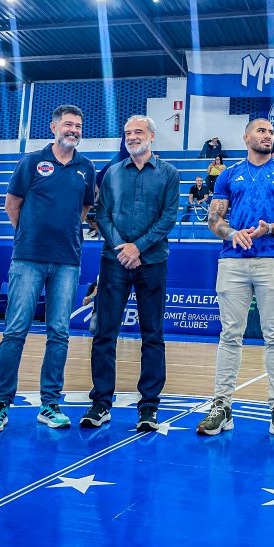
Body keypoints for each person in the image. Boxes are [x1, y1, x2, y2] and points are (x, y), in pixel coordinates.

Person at [0, 105, 95, 433]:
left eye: (78, 126)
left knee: (59, 333)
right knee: (15, 331)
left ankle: (50, 404)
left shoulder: (87, 168)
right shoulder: (31, 161)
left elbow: (84, 209)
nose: (73, 130)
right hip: (28, 258)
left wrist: (61, 235)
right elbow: (11, 204)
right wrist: (30, 235)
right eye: (68, 124)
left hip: (67, 261)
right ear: (54, 127)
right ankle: (0, 405)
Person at [196, 118, 274, 441]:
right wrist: (232, 233)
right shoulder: (229, 174)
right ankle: (222, 405)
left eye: (271, 132)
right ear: (246, 137)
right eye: (261, 131)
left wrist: (270, 228)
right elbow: (214, 218)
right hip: (233, 261)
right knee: (230, 335)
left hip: (273, 259)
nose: (268, 136)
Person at [81, 116, 180, 432]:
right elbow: (102, 215)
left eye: (138, 132)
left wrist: (138, 248)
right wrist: (122, 248)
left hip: (153, 262)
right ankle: (100, 403)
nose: (132, 137)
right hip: (114, 261)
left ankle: (149, 406)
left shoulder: (169, 173)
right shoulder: (111, 173)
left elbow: (168, 218)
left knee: (152, 335)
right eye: (127, 133)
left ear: (152, 136)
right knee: (104, 333)